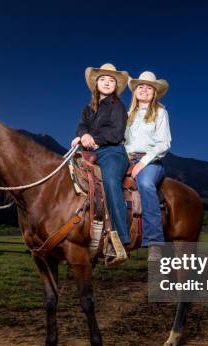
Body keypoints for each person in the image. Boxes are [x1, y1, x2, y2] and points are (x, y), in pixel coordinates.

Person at [71, 63, 130, 262]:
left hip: (112, 152)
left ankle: (120, 240)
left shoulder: (118, 106)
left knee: (111, 182)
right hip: (89, 152)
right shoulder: (88, 109)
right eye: (103, 79)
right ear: (96, 84)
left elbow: (116, 133)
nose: (106, 83)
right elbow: (81, 127)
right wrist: (82, 135)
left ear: (116, 86)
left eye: (111, 80)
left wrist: (92, 138)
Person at [124, 71, 171, 262]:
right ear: (135, 91)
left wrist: (142, 163)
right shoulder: (127, 115)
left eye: (149, 87)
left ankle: (154, 242)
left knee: (144, 184)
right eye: (140, 86)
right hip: (127, 159)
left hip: (151, 161)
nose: (144, 90)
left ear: (154, 93)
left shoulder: (160, 112)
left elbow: (164, 144)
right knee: (107, 182)